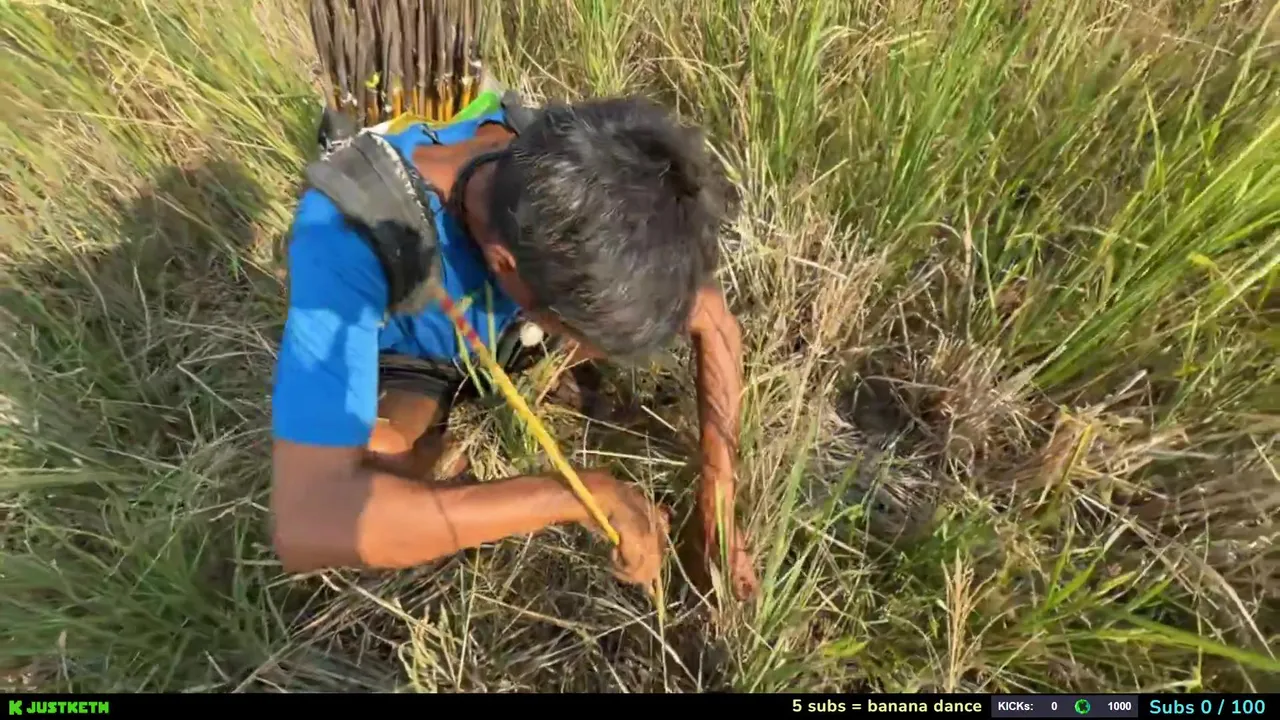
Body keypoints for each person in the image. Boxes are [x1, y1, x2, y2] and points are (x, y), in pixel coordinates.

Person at [269, 92, 759, 601]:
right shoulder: (344, 233)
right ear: (503, 262)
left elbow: (714, 321)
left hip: (517, 334)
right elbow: (308, 521)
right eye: (576, 326)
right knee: (382, 463)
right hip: (422, 360)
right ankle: (442, 467)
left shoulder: (581, 179)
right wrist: (575, 496)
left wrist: (718, 506)